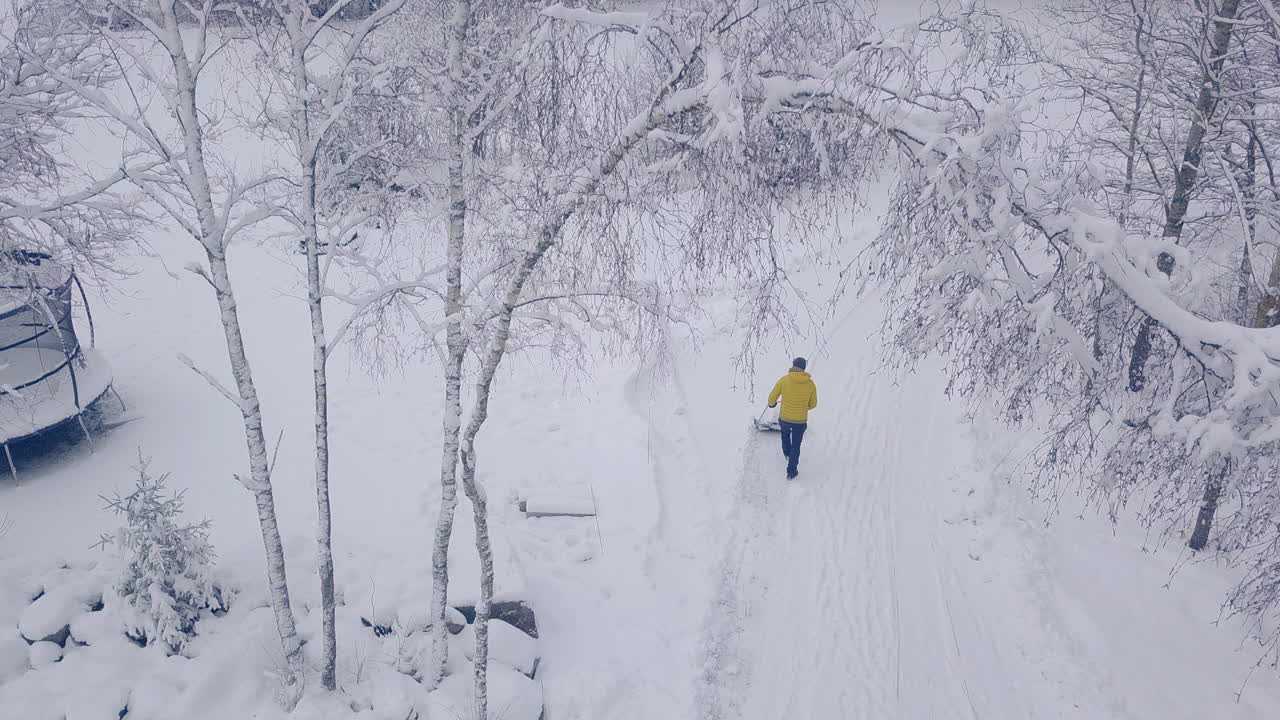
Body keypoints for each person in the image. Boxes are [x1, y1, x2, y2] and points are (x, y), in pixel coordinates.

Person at [767, 357, 817, 479]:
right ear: (804, 368)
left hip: (785, 418)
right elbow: (813, 404)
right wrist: (802, 407)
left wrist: (772, 404)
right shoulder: (810, 384)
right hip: (800, 421)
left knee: (784, 435)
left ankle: (786, 453)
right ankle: (792, 471)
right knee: (796, 444)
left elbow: (772, 397)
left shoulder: (784, 380)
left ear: (793, 365)